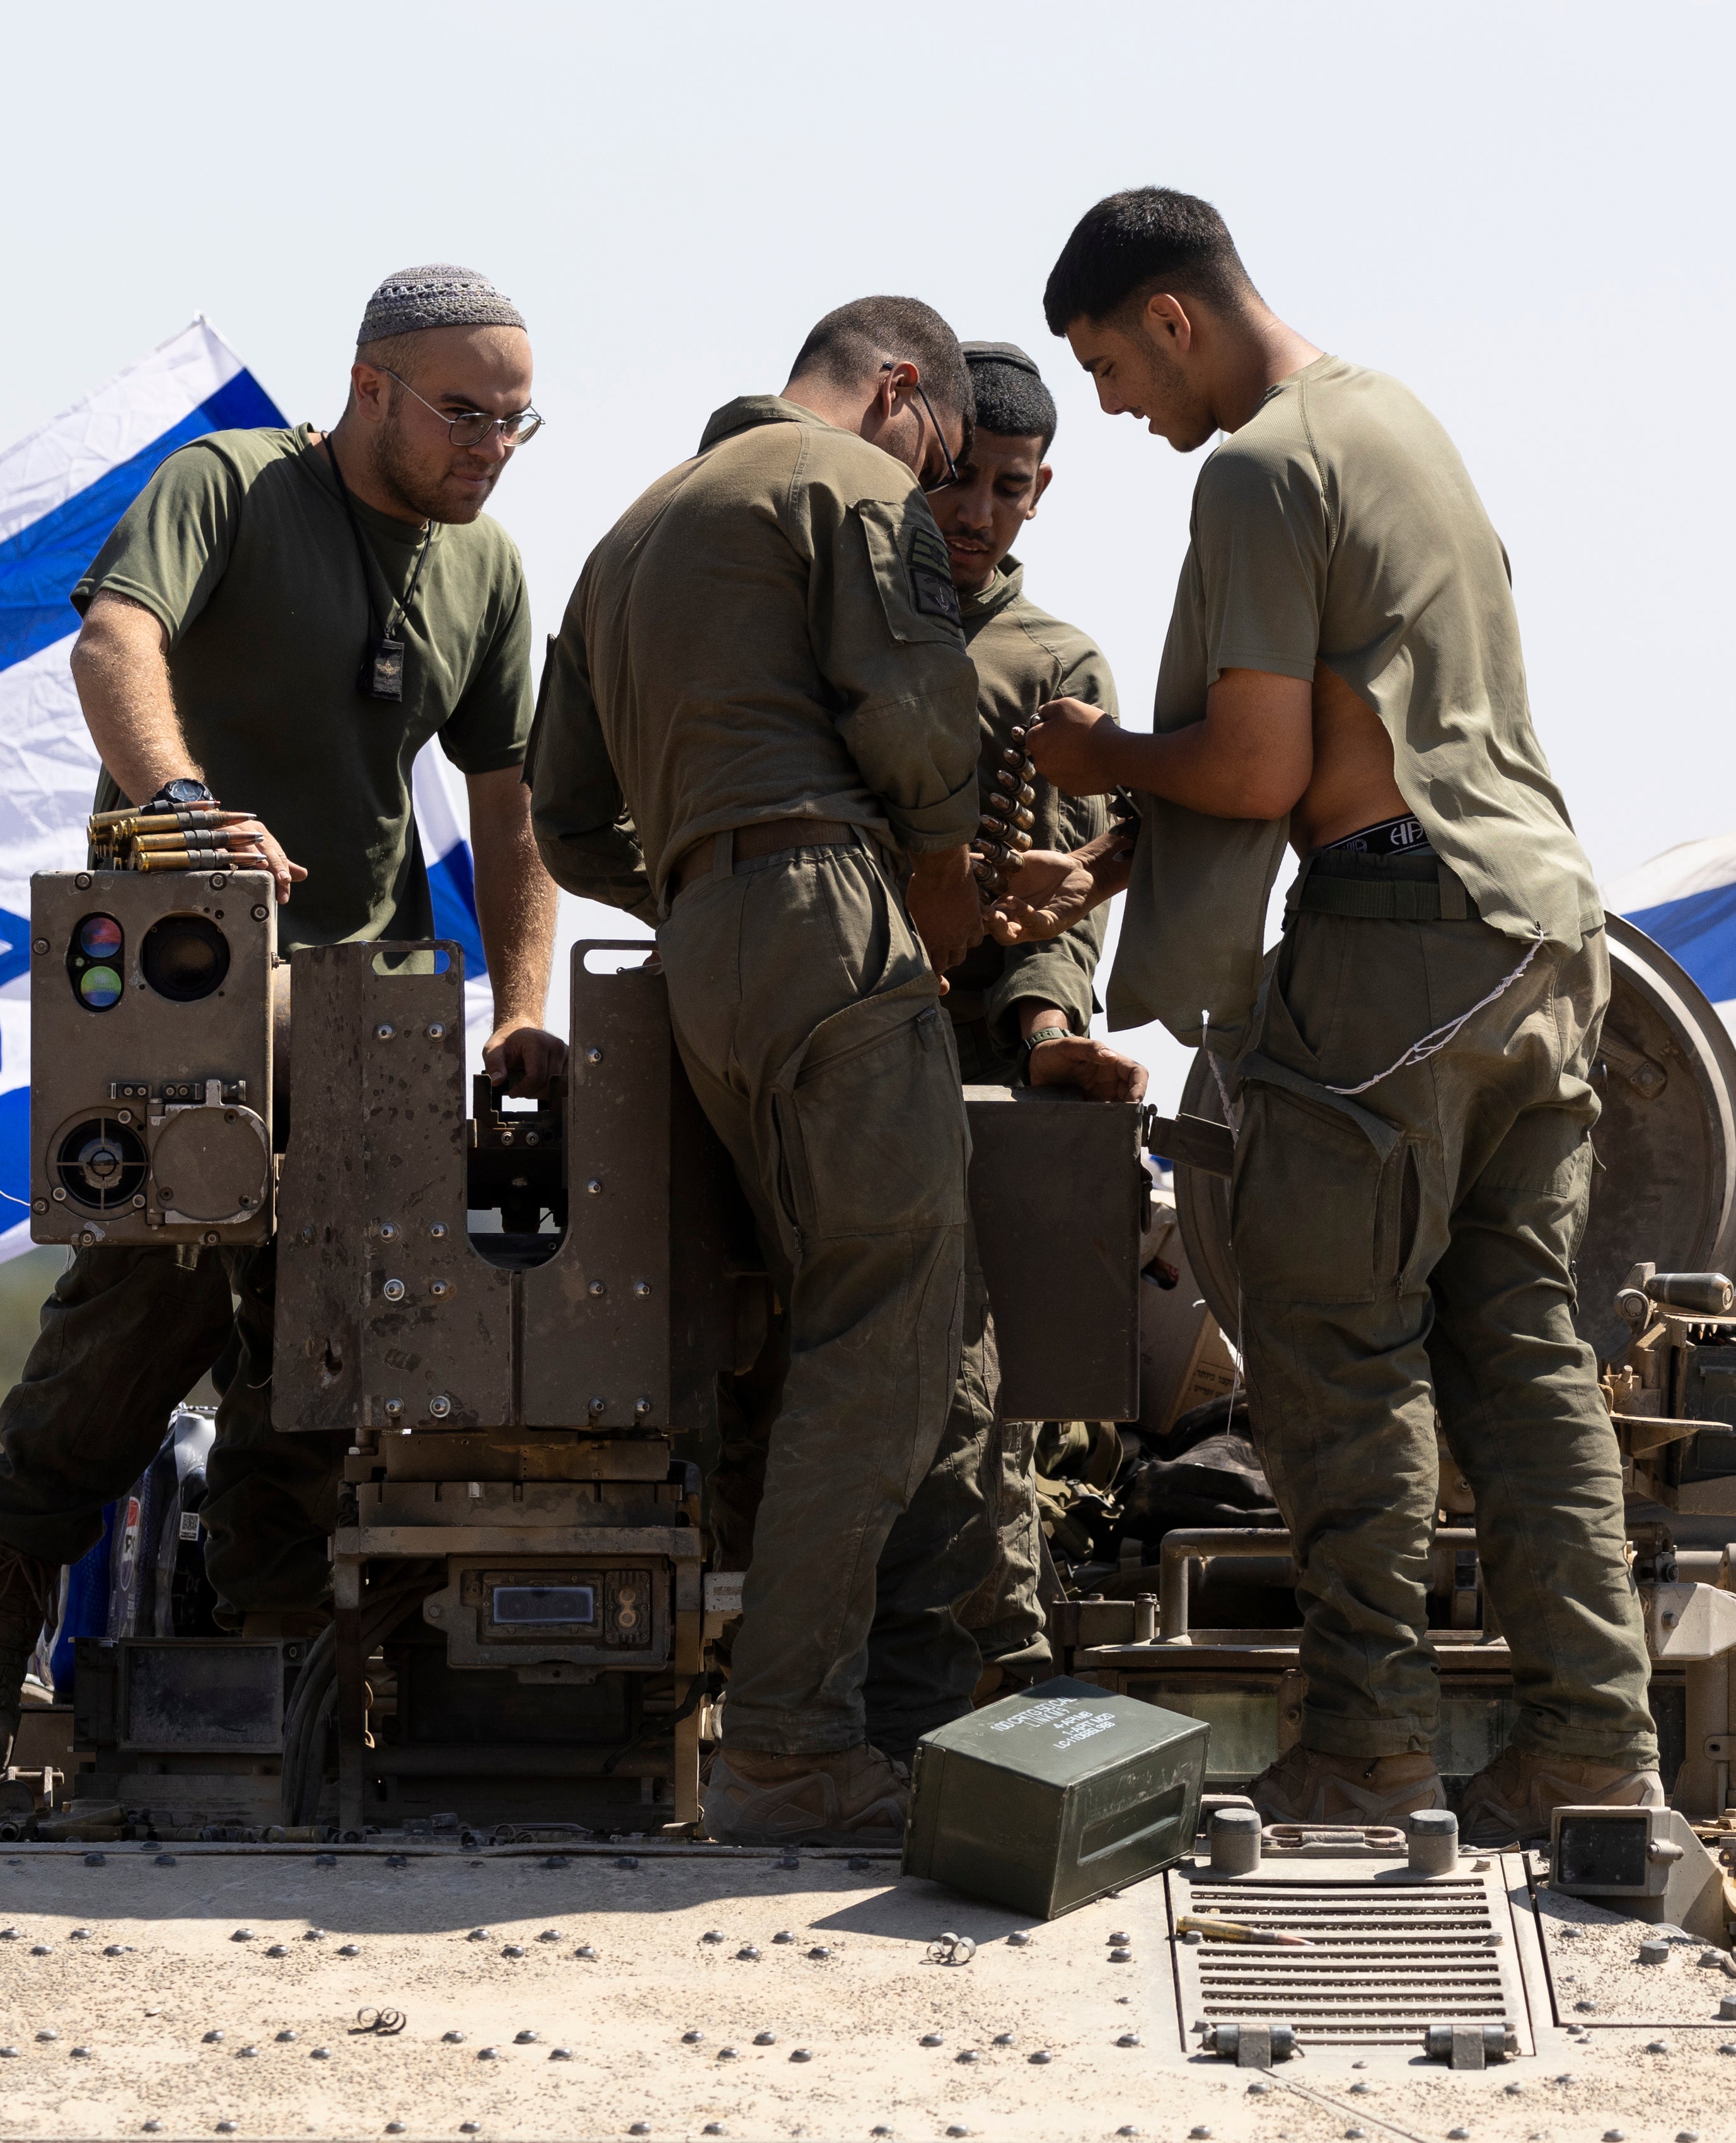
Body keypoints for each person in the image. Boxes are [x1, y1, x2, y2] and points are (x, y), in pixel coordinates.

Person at [1022, 188, 1662, 1842]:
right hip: (1541, 932)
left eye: (1105, 367)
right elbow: (1341, 711)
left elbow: (1255, 768)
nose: (1112, 410)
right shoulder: (1394, 421)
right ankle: (1591, 1750)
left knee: (1333, 1351)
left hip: (1391, 940)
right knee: (1522, 1360)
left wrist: (1099, 758)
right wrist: (1120, 863)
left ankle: (1364, 1746)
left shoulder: (1254, 464)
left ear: (1171, 317)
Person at [0, 265, 567, 1773]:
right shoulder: (231, 485)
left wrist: (521, 1005)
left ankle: (292, 1686)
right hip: (185, 984)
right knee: (135, 1319)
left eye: (520, 424)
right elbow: (114, 644)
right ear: (371, 389)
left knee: (329, 1365)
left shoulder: (489, 571)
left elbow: (512, 798)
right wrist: (184, 808)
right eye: (466, 412)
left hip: (366, 1013)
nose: (491, 447)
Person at [529, 296, 997, 1842]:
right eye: (949, 452)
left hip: (704, 943)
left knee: (816, 1315)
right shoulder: (850, 485)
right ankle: (794, 1743)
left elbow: (565, 817)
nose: (949, 483)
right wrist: (938, 875)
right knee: (895, 1314)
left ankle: (785, 1717)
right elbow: (923, 715)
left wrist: (704, 881)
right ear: (905, 391)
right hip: (830, 914)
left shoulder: (625, 534)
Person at [921, 339, 1150, 1686]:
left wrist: (1044, 1032)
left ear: (1041, 490)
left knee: (983, 1398)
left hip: (977, 1071)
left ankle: (989, 1665)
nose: (976, 516)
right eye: (956, 483)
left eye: (1006, 489)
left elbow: (1068, 894)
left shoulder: (1051, 663)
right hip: (814, 1045)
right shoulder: (845, 626)